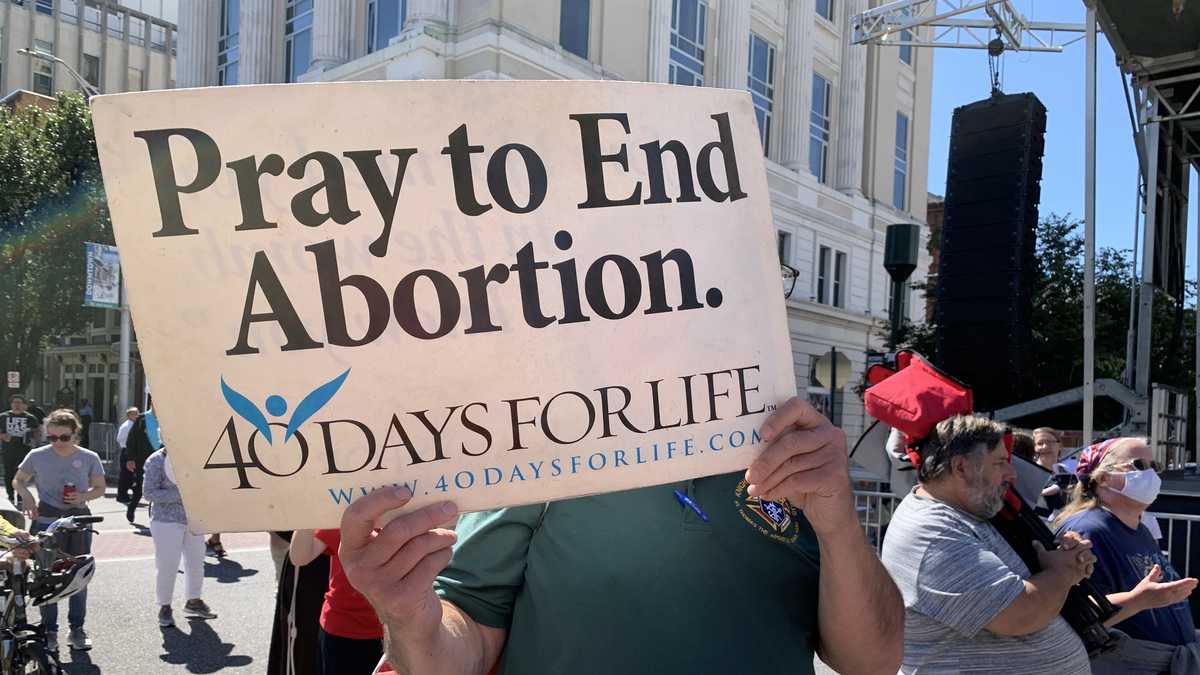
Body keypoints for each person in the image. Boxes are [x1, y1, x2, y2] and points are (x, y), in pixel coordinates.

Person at [337, 398, 903, 674]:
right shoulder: (550, 430)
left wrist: (840, 528)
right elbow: (464, 641)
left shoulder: (797, 448)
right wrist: (411, 619)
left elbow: (872, 661)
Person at [881, 414, 1095, 674]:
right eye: (1001, 463)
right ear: (961, 467)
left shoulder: (968, 508)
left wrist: (1065, 559)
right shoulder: (933, 534)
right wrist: (1063, 572)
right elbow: (1020, 614)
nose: (1012, 473)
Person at [1055, 438, 1198, 662]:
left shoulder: (1140, 530)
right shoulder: (1087, 531)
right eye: (1139, 465)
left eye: (1155, 467)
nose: (1151, 474)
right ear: (1103, 478)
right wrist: (1137, 600)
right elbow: (1072, 615)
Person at [12, 408, 105, 653]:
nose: (57, 443)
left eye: (63, 438)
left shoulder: (89, 457)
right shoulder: (37, 455)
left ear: (75, 433)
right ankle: (49, 630)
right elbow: (18, 479)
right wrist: (26, 498)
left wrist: (83, 496)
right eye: (52, 438)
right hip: (46, 519)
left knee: (79, 574)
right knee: (46, 577)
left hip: (78, 521)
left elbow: (99, 488)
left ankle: (76, 629)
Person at [142, 445, 217, 628]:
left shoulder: (194, 456)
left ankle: (194, 601)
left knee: (196, 562)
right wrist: (182, 494)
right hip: (165, 521)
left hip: (193, 519)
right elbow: (149, 492)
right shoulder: (156, 460)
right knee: (167, 565)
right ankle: (165, 606)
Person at [289, 529, 384, 674]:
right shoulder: (341, 516)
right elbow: (299, 557)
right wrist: (307, 515)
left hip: (394, 630)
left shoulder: (403, 516)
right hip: (343, 630)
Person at [0, 395, 42, 503]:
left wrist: (34, 440)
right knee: (8, 473)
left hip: (24, 450)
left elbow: (37, 432)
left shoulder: (30, 418)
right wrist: (2, 436)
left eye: (19, 403)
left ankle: (20, 497)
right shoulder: (3, 416)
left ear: (24, 405)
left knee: (20, 474)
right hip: (8, 449)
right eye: (14, 402)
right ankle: (10, 496)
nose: (16, 405)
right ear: (11, 404)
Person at [123, 410, 156, 524]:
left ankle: (155, 516)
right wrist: (130, 458)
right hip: (143, 459)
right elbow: (131, 439)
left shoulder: (168, 416)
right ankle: (132, 507)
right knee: (140, 486)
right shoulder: (142, 419)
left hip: (162, 458)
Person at [115, 407, 139, 504]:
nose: (137, 415)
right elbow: (120, 438)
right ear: (129, 415)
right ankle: (122, 496)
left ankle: (125, 494)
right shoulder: (127, 426)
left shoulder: (133, 425)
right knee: (125, 475)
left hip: (131, 451)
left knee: (129, 475)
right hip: (127, 451)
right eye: (135, 414)